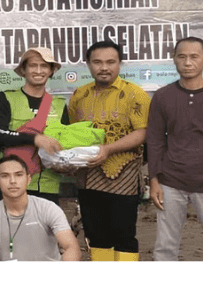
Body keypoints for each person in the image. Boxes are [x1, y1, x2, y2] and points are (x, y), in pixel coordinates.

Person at [147, 36, 203, 261]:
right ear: (174, 60)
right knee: (165, 247)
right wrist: (154, 180)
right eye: (182, 57)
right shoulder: (162, 96)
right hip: (171, 182)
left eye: (194, 57)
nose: (188, 62)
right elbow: (155, 141)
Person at [67, 39, 150, 261]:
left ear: (120, 64)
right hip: (88, 175)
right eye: (97, 62)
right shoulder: (79, 96)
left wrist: (108, 149)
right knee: (96, 234)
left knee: (124, 235)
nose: (104, 67)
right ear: (88, 64)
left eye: (110, 62)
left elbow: (142, 132)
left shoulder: (135, 94)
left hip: (123, 174)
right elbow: (73, 132)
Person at [0, 47, 68, 204]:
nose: (38, 71)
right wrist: (35, 139)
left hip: (48, 185)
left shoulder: (59, 104)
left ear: (52, 71)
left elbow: (66, 141)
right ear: (24, 70)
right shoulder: (5, 97)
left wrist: (67, 163)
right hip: (11, 184)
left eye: (44, 66)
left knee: (45, 228)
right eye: (33, 65)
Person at [0, 155, 80, 261]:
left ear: (28, 179)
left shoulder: (48, 208)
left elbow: (71, 247)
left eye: (18, 175)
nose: (13, 181)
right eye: (5, 176)